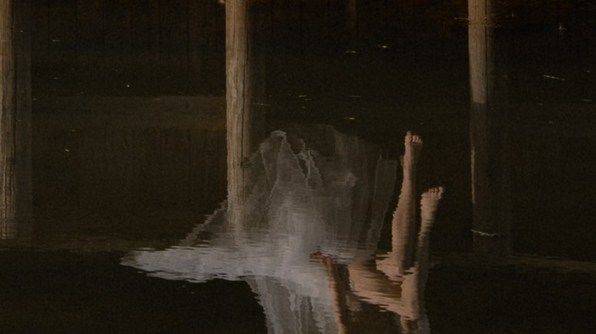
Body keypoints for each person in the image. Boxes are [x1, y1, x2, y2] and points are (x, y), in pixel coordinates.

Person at [127, 127, 444, 334]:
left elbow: (343, 319)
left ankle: (416, 192)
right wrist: (420, 268)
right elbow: (410, 318)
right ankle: (412, 181)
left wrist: (331, 272)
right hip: (389, 289)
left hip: (354, 286)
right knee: (402, 270)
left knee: (405, 284)